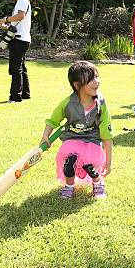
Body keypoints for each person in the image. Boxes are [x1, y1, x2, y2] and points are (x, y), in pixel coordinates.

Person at [42, 61, 113, 199]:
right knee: (70, 160)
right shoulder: (68, 103)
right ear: (77, 84)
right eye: (90, 79)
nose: (96, 82)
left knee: (89, 164)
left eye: (97, 77)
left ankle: (98, 183)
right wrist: (46, 135)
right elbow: (53, 120)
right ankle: (69, 186)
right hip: (72, 139)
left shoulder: (101, 104)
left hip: (92, 140)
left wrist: (109, 162)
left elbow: (106, 134)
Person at [0, 0, 31, 103]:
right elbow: (16, 23)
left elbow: (20, 16)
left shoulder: (22, 0)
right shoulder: (22, 2)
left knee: (16, 69)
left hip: (19, 40)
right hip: (22, 39)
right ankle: (25, 94)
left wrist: (5, 19)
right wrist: (4, 25)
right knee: (21, 67)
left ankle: (15, 97)